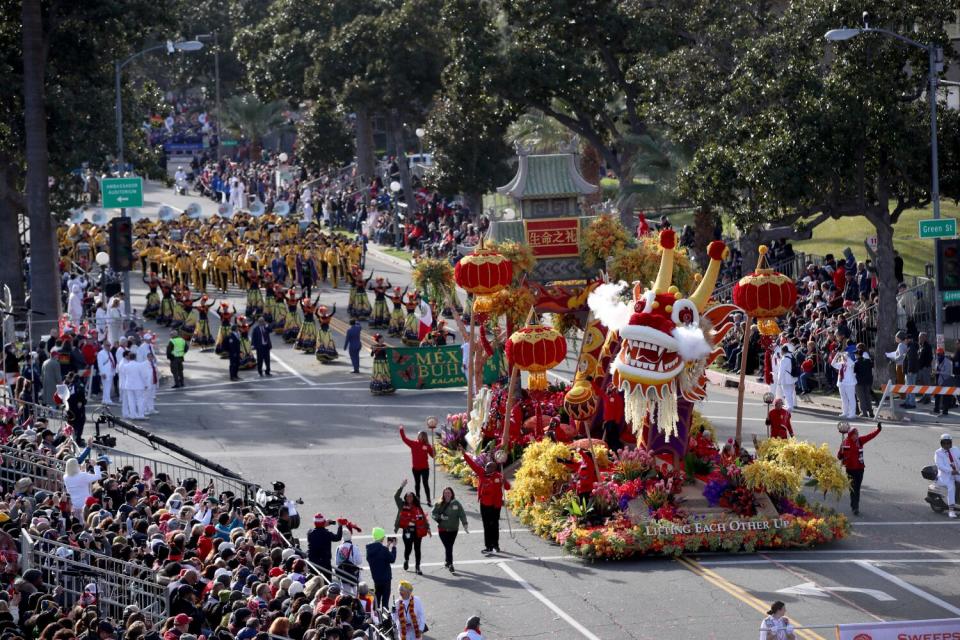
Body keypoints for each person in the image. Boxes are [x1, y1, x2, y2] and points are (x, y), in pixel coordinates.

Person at [463, 453, 510, 554]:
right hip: (484, 504)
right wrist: (464, 453)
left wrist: (504, 481)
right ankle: (488, 546)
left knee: (494, 525)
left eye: (489, 466)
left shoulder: (499, 476)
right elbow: (472, 463)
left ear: (494, 468)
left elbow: (508, 487)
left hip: (495, 505)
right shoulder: (481, 473)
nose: (486, 468)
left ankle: (496, 545)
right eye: (486, 466)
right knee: (486, 525)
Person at [837, 423, 882, 516]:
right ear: (851, 435)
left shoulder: (860, 441)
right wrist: (841, 455)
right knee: (852, 489)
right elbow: (839, 456)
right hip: (849, 470)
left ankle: (855, 505)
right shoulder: (844, 443)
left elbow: (870, 436)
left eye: (857, 434)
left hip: (860, 469)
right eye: (855, 434)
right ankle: (854, 507)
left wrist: (878, 430)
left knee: (857, 488)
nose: (857, 435)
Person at [393, 480, 430, 575]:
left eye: (411, 496)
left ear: (413, 498)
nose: (409, 498)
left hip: (418, 531)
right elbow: (396, 497)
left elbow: (424, 518)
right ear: (405, 498)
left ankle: (418, 567)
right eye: (407, 496)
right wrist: (401, 487)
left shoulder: (418, 507)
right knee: (408, 548)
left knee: (418, 549)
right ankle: (406, 559)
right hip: (407, 531)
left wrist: (428, 528)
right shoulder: (402, 505)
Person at [432, 487, 468, 573]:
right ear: (443, 494)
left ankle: (447, 561)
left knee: (449, 546)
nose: (447, 494)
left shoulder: (456, 503)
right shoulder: (439, 503)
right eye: (445, 493)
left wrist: (465, 524)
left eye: (448, 493)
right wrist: (440, 517)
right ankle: (451, 564)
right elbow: (433, 514)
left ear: (452, 494)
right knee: (448, 546)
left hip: (453, 529)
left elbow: (462, 514)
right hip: (442, 529)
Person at [398, 426, 435, 505]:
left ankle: (428, 499)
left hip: (425, 468)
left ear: (425, 437)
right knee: (417, 483)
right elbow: (404, 439)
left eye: (422, 435)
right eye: (419, 435)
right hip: (415, 468)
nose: (421, 436)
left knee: (425, 483)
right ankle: (417, 498)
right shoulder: (413, 443)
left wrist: (434, 450)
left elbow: (433, 456)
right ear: (418, 436)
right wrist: (401, 430)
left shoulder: (427, 446)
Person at [365, 527, 397, 612]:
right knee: (385, 602)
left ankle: (376, 618)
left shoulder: (369, 550)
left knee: (377, 600)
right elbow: (392, 559)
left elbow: (380, 554)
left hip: (376, 579)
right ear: (382, 538)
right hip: (386, 579)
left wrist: (386, 546)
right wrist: (393, 547)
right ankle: (385, 621)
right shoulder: (383, 550)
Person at [307, 513, 343, 578]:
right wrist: (340, 526)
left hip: (313, 564)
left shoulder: (310, 533)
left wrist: (323, 525)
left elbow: (318, 530)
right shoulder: (327, 534)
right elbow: (338, 537)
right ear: (323, 522)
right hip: (325, 564)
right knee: (327, 584)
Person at [935, 433, 960, 518]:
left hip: (957, 472)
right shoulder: (938, 453)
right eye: (944, 443)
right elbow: (940, 465)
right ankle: (951, 510)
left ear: (951, 442)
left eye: (948, 442)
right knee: (951, 486)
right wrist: (951, 471)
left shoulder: (956, 449)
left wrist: (957, 471)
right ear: (941, 443)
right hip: (945, 476)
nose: (946, 445)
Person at [832, 347, 857, 420]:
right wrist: (837, 355)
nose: (842, 358)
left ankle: (852, 413)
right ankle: (845, 412)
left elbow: (852, 364)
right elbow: (833, 364)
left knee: (851, 398)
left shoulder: (850, 363)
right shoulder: (841, 364)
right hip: (841, 383)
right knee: (844, 399)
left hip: (849, 384)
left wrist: (845, 356)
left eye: (844, 357)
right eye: (842, 357)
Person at [853, 344, 874, 418]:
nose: (855, 355)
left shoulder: (856, 363)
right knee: (867, 396)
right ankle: (871, 412)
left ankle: (864, 412)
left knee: (861, 398)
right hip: (868, 381)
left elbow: (854, 372)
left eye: (855, 354)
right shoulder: (868, 361)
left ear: (858, 355)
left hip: (859, 382)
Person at [775, 345, 797, 411]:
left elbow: (781, 371)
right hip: (792, 378)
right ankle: (790, 405)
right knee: (790, 393)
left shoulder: (784, 359)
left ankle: (789, 406)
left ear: (783, 351)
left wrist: (779, 381)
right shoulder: (791, 357)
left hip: (786, 379)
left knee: (787, 393)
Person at [934, 348, 954, 416]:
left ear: (943, 354)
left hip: (946, 381)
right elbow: (935, 368)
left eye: (940, 354)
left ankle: (945, 411)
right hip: (938, 380)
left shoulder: (947, 362)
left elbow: (948, 373)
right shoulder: (937, 361)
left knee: (946, 396)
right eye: (937, 354)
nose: (938, 355)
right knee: (937, 395)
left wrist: (939, 372)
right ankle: (936, 409)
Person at [97, 340, 117, 405]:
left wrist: (114, 371)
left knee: (108, 386)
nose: (109, 347)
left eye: (110, 345)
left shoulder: (110, 353)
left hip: (110, 372)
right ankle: (107, 400)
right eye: (107, 345)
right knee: (106, 386)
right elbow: (100, 364)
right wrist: (102, 373)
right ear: (104, 345)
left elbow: (112, 362)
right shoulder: (101, 353)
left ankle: (105, 399)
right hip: (105, 372)